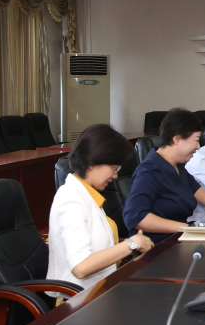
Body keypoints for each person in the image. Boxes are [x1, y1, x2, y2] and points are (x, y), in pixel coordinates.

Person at [48, 124, 154, 291]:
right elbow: (81, 267)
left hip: (102, 288)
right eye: (114, 168)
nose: (115, 175)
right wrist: (132, 244)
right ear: (92, 163)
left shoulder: (87, 193)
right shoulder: (70, 199)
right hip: (78, 298)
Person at [123, 109, 205, 243]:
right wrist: (184, 228)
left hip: (178, 238)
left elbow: (192, 186)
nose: (198, 147)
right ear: (177, 139)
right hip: (157, 245)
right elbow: (135, 217)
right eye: (196, 140)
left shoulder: (178, 165)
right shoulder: (149, 171)